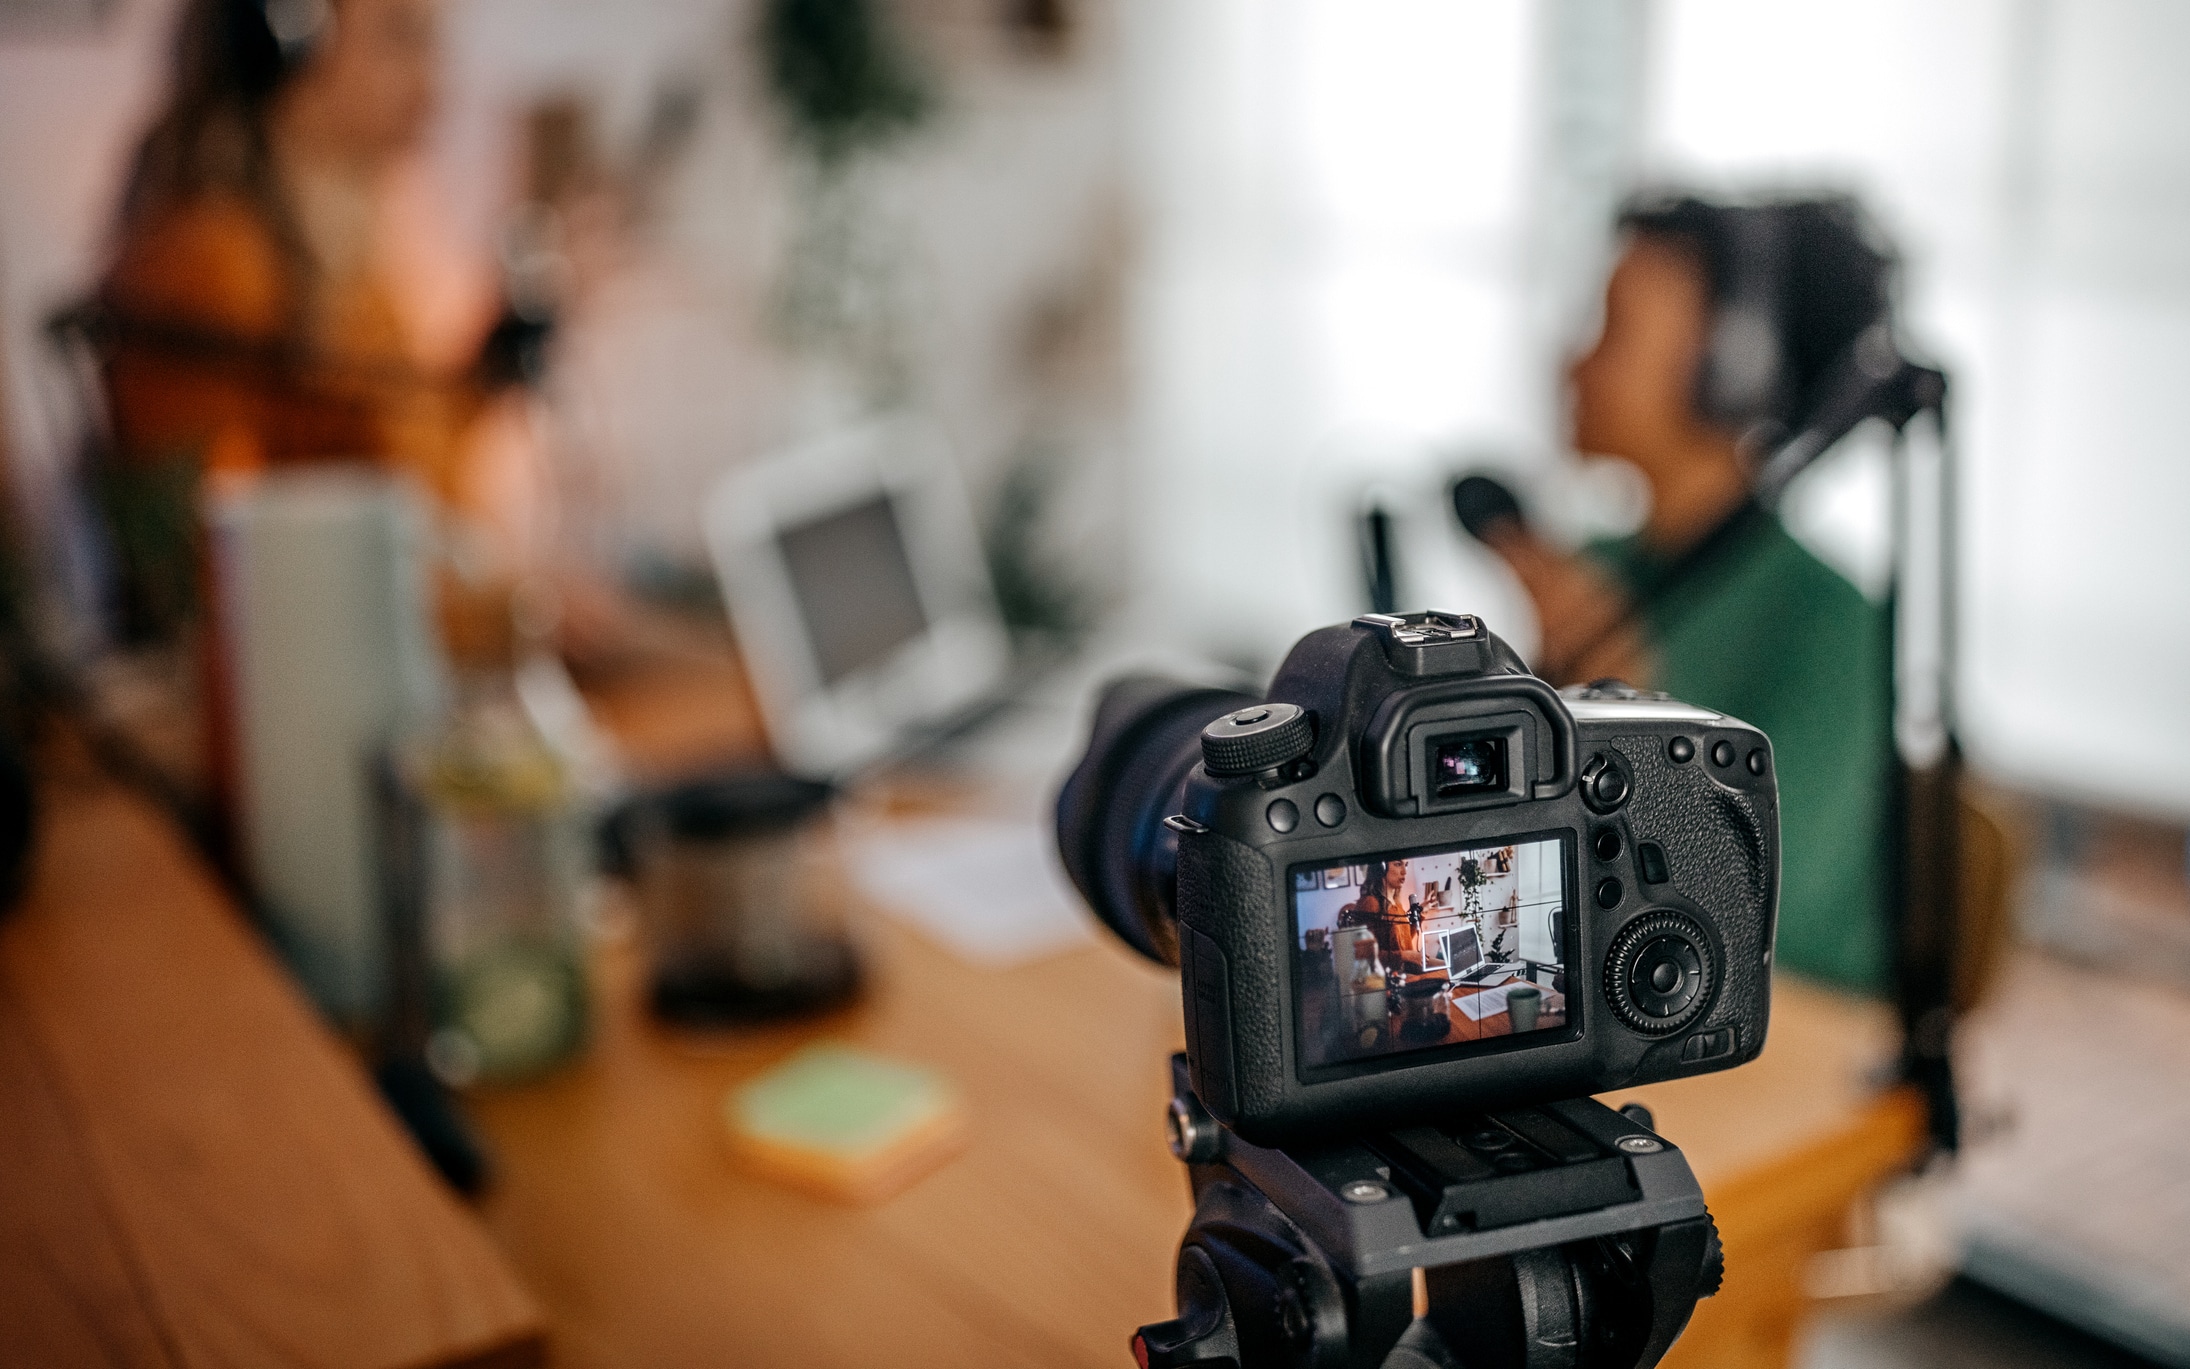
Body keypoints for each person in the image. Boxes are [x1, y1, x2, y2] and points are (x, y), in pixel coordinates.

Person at [1480, 195, 1896, 995]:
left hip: (1787, 1035)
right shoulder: (1602, 570)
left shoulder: (1836, 620)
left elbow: (1765, 906)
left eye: (1612, 327)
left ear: (1729, 371)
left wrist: (1613, 670)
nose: (1573, 361)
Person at [87, 0, 538, 640]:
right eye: (399, 40)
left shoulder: (350, 259)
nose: (434, 83)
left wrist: (486, 373)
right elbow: (224, 570)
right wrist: (494, 609)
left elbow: (407, 479)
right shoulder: (211, 264)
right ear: (284, 37)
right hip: (291, 682)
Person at [1339, 858, 1421, 972]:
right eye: (1398, 864)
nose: (1404, 871)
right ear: (1381, 869)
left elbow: (1400, 942)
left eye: (1406, 865)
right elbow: (1365, 954)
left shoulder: (1396, 903)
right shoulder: (1370, 903)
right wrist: (1405, 955)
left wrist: (1421, 916)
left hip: (1407, 971)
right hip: (1389, 979)